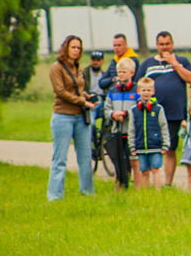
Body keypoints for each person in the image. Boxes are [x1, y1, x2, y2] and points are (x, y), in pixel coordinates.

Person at [135, 31, 191, 187]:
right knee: (150, 146)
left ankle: (167, 183)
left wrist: (174, 63)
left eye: (167, 44)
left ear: (172, 44)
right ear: (157, 46)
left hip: (174, 113)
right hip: (150, 112)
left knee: (170, 148)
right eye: (161, 44)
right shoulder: (148, 63)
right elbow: (138, 85)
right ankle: (152, 181)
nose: (165, 47)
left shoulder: (182, 61)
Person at [47, 35, 96, 201]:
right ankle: (55, 196)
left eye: (79, 48)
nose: (76, 51)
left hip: (81, 116)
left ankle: (88, 193)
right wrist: (83, 101)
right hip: (63, 116)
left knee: (85, 157)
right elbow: (60, 91)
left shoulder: (78, 68)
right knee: (60, 159)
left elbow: (77, 89)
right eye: (73, 47)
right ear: (66, 48)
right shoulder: (57, 68)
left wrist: (86, 96)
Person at [103, 57, 142, 189]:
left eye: (124, 72)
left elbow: (139, 109)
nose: (121, 74)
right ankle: (118, 188)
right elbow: (106, 109)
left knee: (134, 161)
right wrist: (113, 114)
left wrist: (126, 114)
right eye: (119, 72)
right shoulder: (113, 91)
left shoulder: (137, 90)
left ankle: (138, 188)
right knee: (118, 161)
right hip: (117, 131)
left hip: (132, 133)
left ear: (132, 73)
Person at [127, 77, 170, 190]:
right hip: (141, 146)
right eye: (143, 90)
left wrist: (165, 144)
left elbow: (164, 127)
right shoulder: (134, 110)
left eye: (148, 90)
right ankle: (146, 193)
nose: (146, 93)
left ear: (153, 92)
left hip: (155, 146)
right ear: (138, 91)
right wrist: (132, 145)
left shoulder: (158, 109)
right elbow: (131, 129)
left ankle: (157, 193)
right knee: (144, 171)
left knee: (155, 169)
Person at [84, 50, 106, 125]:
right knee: (91, 123)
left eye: (98, 60)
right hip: (90, 102)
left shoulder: (104, 75)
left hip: (102, 102)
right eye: (93, 60)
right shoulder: (85, 74)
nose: (95, 62)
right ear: (90, 60)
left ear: (102, 61)